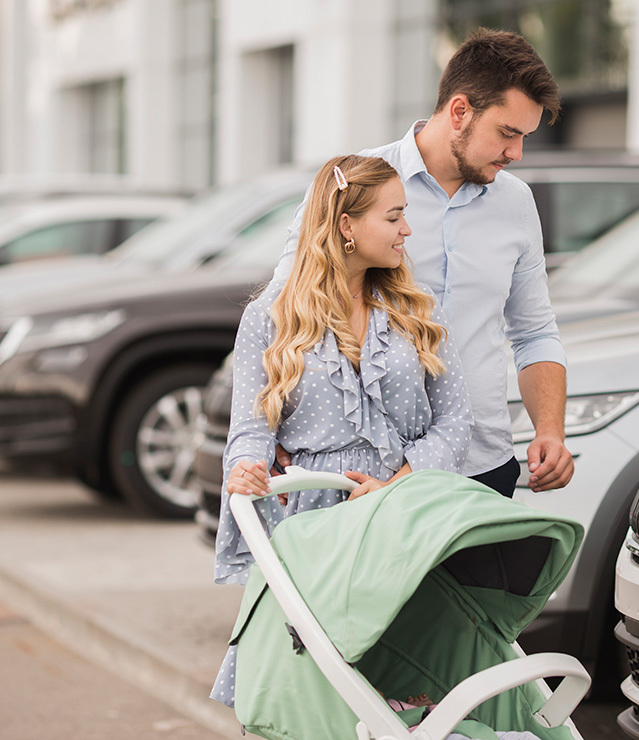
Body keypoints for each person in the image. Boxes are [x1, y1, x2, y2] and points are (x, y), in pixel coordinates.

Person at [211, 154, 474, 708]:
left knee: (408, 684)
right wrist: (246, 467)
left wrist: (401, 481)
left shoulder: (417, 310)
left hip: (405, 517)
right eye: (394, 216)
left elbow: (454, 420)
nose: (408, 229)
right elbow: (251, 427)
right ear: (346, 225)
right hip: (314, 528)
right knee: (316, 692)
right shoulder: (270, 316)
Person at [271, 28, 574, 498]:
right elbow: (286, 308)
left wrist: (550, 431)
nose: (516, 153)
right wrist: (268, 432)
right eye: (507, 133)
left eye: (523, 137)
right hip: (371, 472)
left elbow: (534, 332)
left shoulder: (516, 203)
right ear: (459, 112)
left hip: (484, 467)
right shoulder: (355, 184)